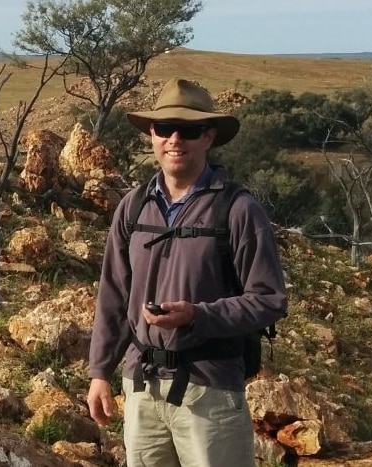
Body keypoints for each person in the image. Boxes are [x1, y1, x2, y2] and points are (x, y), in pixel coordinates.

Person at [87, 78, 287, 467]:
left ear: (209, 137)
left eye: (190, 130)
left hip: (209, 391)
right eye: (165, 128)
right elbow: (113, 295)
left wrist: (198, 315)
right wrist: (100, 372)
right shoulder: (133, 207)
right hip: (142, 387)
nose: (175, 139)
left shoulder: (238, 209)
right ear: (152, 135)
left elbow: (269, 299)